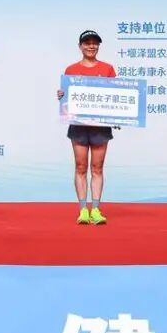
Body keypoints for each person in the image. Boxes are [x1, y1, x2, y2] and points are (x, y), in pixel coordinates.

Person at [56, 30, 116, 225]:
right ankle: (83, 210)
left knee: (97, 168)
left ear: (98, 46)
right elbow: (67, 98)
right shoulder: (71, 69)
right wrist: (62, 96)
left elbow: (116, 96)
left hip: (100, 127)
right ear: (80, 46)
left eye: (94, 43)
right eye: (87, 43)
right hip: (79, 125)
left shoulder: (107, 69)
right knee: (80, 167)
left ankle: (96, 210)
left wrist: (121, 115)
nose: (91, 46)